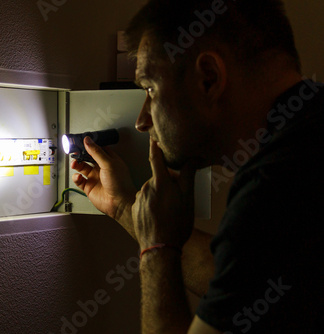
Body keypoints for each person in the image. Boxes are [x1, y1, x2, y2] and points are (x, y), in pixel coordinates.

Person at [70, 0, 323, 333]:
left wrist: (156, 250)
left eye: (150, 89)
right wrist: (124, 208)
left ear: (208, 78)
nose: (142, 120)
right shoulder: (305, 140)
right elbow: (236, 276)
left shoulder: (275, 189)